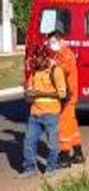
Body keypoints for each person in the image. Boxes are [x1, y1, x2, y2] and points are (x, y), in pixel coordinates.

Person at [20, 43, 67, 177]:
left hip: (51, 113)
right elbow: (30, 90)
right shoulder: (35, 71)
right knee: (29, 141)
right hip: (35, 113)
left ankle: (51, 168)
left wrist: (40, 93)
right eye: (35, 58)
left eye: (38, 58)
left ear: (45, 57)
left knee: (52, 143)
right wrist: (27, 92)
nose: (36, 60)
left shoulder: (55, 71)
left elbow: (62, 94)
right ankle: (30, 169)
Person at [48, 30, 84, 165]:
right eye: (50, 42)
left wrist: (53, 66)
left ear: (60, 41)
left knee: (64, 124)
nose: (51, 45)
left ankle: (64, 155)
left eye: (53, 42)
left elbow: (66, 68)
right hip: (68, 93)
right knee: (71, 123)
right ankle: (78, 152)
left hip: (67, 95)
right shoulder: (59, 54)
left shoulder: (65, 54)